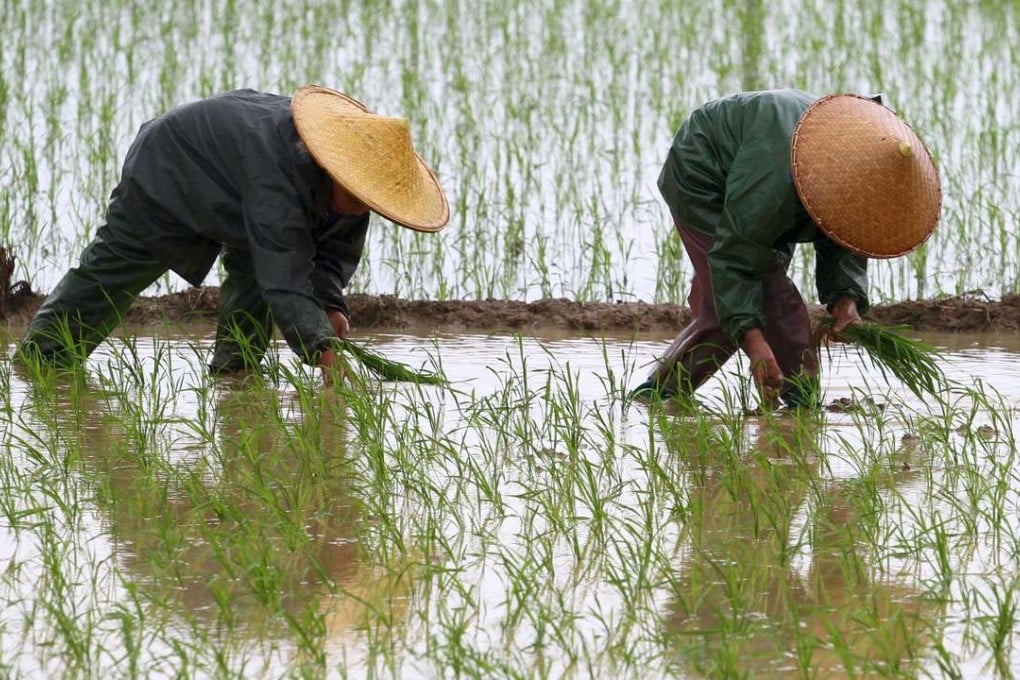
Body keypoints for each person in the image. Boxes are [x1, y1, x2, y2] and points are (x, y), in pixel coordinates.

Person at [16, 85, 449, 379]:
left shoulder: (351, 191)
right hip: (168, 171)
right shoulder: (278, 174)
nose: (360, 208)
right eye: (356, 196)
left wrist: (331, 306)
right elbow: (285, 276)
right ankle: (39, 360)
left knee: (253, 275)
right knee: (114, 273)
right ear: (331, 168)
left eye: (369, 200)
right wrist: (323, 350)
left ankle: (234, 372)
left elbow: (329, 257)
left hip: (232, 191)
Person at [631, 90, 942, 409]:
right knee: (770, 302)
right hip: (705, 175)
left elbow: (845, 231)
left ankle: (656, 397)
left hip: (776, 184)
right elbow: (734, 256)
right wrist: (755, 345)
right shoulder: (773, 179)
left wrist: (845, 299)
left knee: (732, 305)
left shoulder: (854, 169)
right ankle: (798, 405)